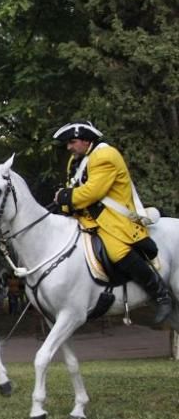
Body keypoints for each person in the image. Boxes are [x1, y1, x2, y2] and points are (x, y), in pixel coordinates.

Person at [52, 121, 171, 324]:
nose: (69, 147)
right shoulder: (76, 160)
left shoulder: (105, 156)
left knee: (117, 252)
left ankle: (161, 295)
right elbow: (73, 189)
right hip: (87, 220)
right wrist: (64, 204)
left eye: (72, 142)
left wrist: (64, 197)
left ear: (86, 140)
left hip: (114, 220)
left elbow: (92, 193)